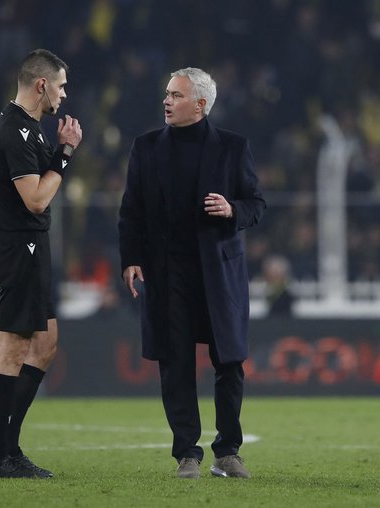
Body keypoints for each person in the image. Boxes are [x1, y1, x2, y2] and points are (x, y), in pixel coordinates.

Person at [118, 68, 266, 479]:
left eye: (176, 95)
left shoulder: (234, 147)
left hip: (219, 272)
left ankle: (228, 451)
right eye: (166, 93)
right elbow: (130, 211)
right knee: (175, 360)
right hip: (167, 274)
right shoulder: (145, 148)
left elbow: (256, 202)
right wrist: (130, 258)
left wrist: (233, 208)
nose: (166, 101)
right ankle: (187, 452)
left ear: (200, 104)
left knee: (230, 360)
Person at [0, 49, 82, 479]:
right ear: (41, 84)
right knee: (12, 347)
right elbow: (35, 199)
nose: (63, 94)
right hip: (18, 246)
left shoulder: (30, 129)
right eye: (59, 85)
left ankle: (8, 448)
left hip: (31, 246)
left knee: (44, 344)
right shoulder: (17, 132)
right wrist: (65, 155)